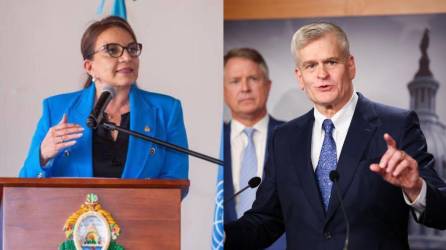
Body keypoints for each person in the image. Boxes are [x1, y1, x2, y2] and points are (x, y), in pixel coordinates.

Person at [224, 22, 446, 249]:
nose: (322, 74)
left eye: (331, 62)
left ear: (350, 66)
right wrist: (214, 235)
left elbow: (443, 211)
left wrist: (415, 187)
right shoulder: (285, 138)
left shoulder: (396, 125)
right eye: (311, 66)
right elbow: (265, 221)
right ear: (300, 77)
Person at [19, 16, 188, 179]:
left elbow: (176, 182)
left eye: (132, 49)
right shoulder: (56, 109)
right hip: (74, 209)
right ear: (90, 67)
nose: (127, 57)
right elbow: (25, 184)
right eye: (112, 50)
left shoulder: (166, 111)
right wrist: (43, 155)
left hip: (141, 209)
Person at [223, 48, 286, 249]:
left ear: (268, 86)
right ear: (223, 90)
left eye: (253, 79)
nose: (245, 88)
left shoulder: (293, 138)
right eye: (235, 81)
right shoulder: (211, 142)